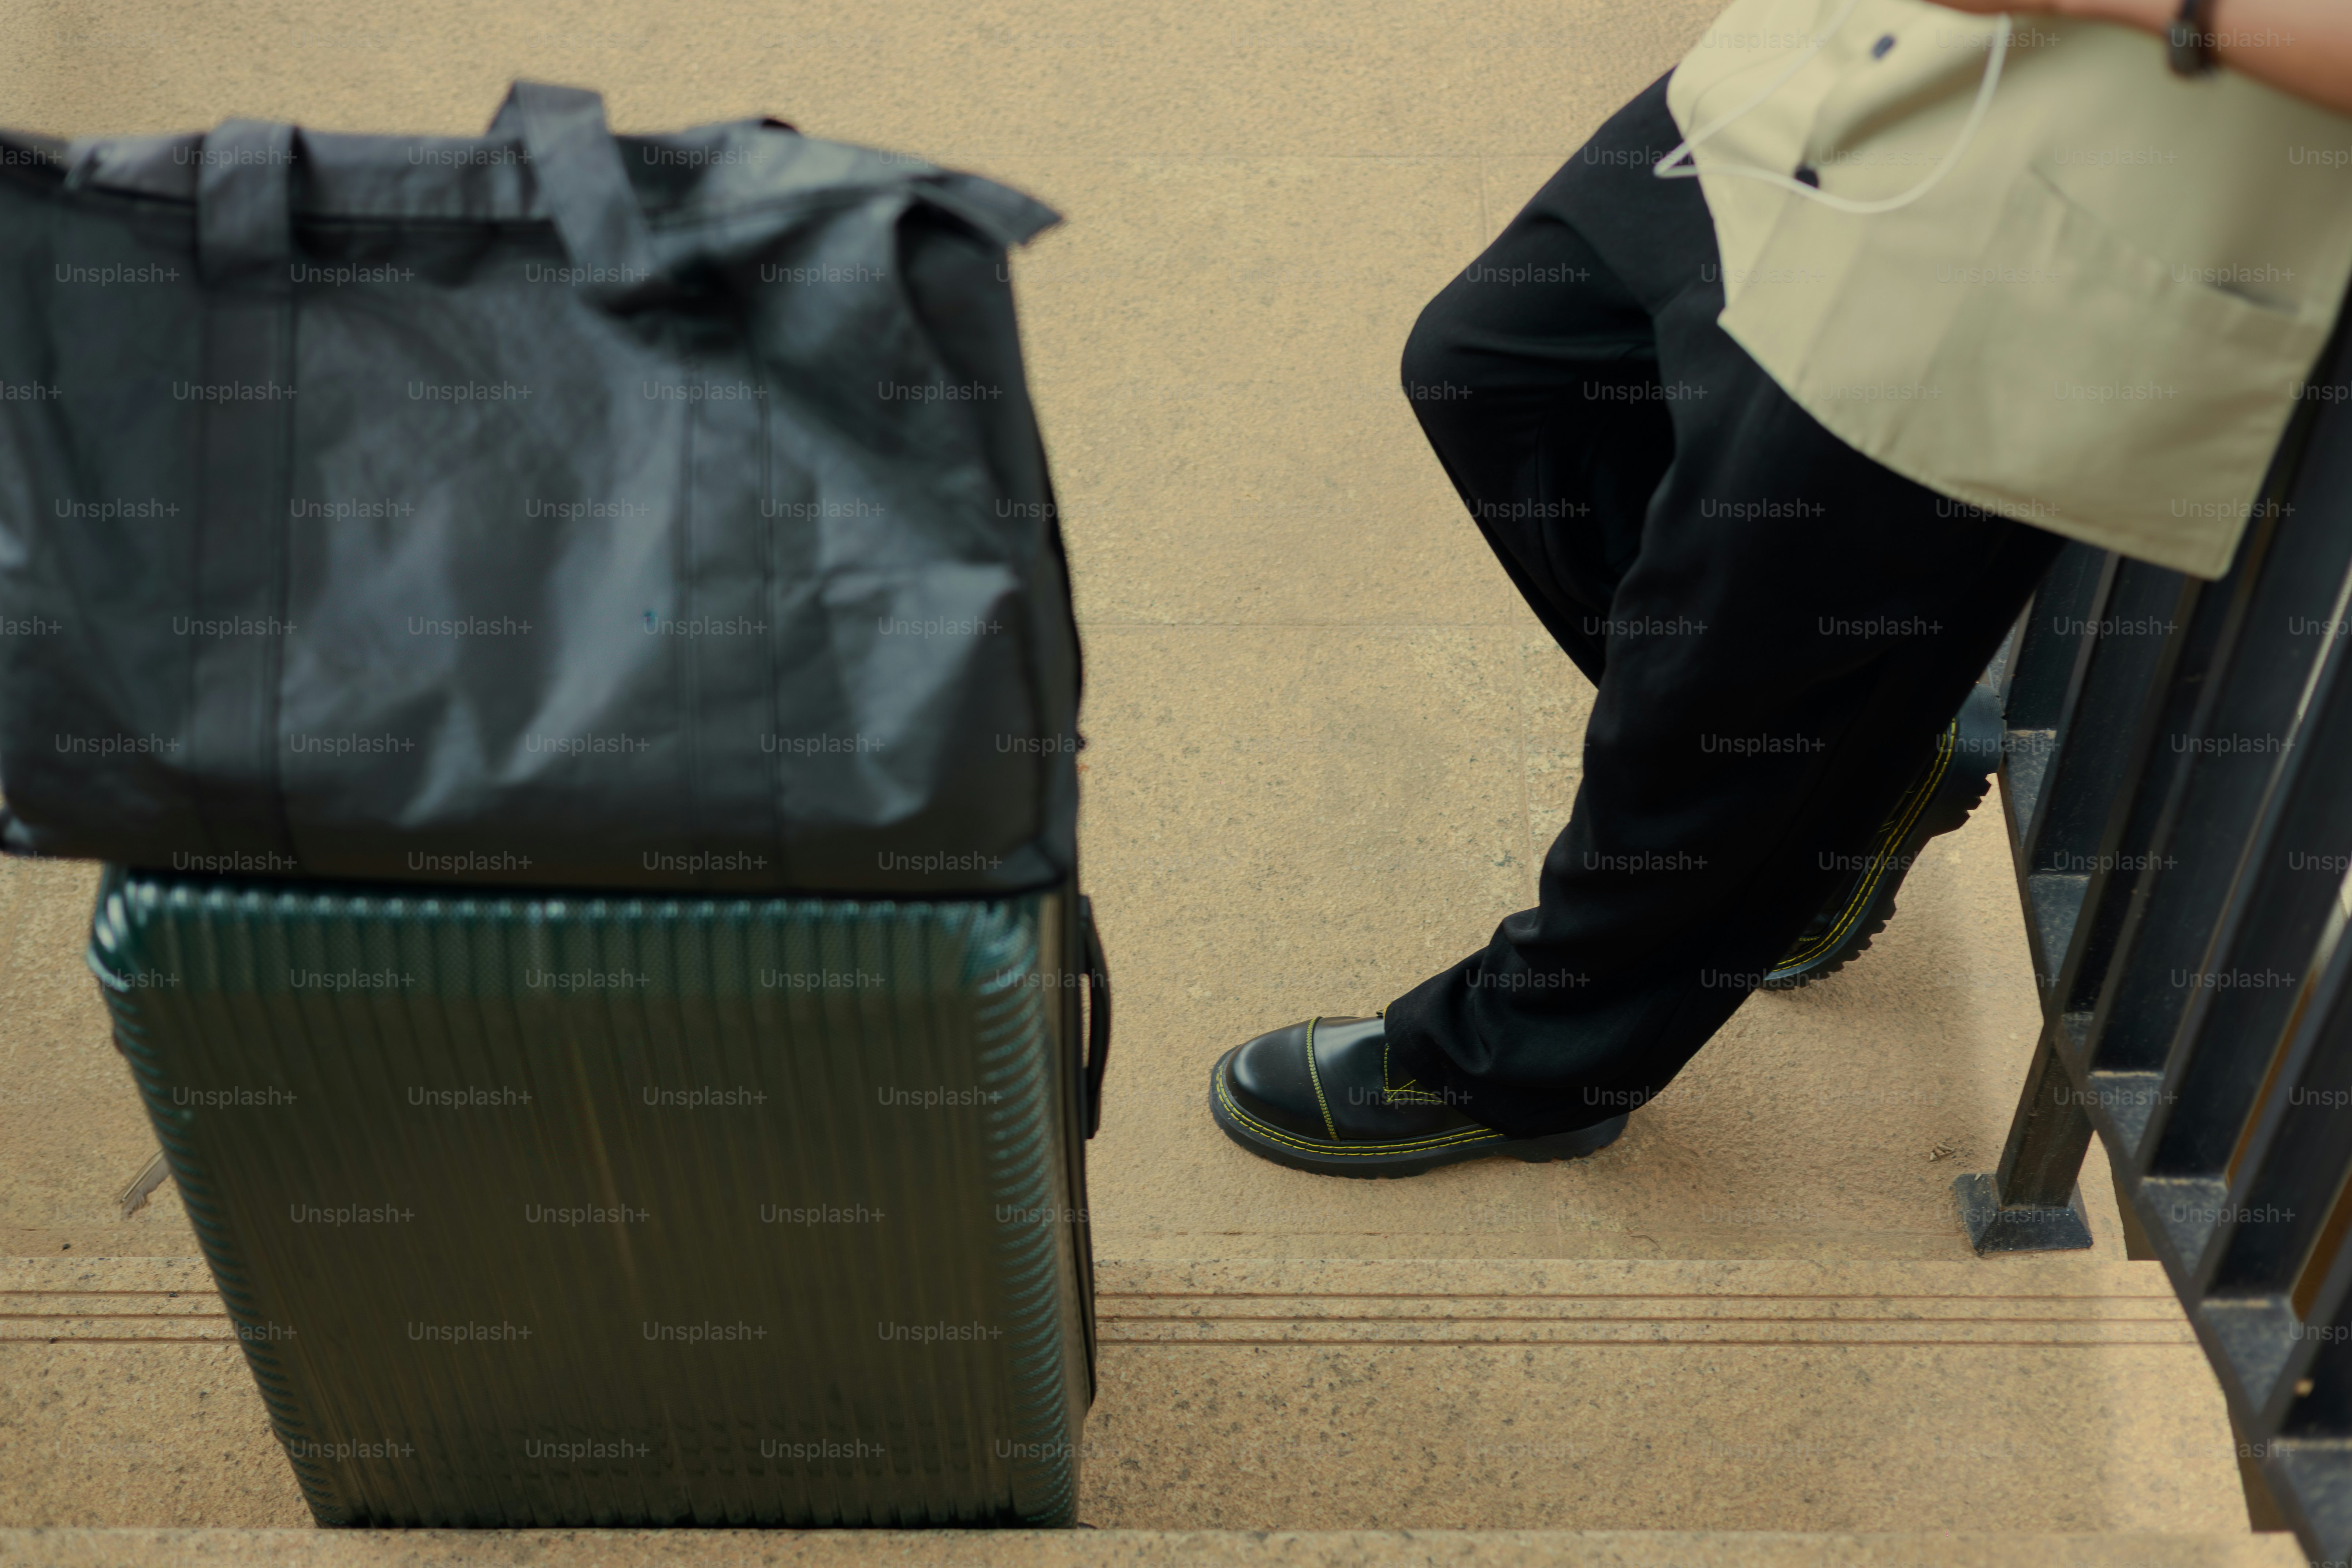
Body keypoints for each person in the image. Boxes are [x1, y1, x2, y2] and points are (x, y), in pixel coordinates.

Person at [1209, 0, 2352, 1177]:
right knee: (1490, 372)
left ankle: (1534, 1061)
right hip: (1835, 78)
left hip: (2051, 222)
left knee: (1715, 682)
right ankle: (1827, 790)